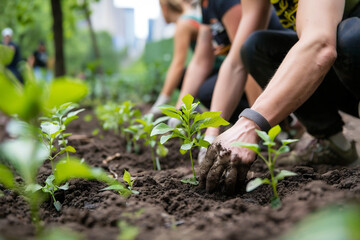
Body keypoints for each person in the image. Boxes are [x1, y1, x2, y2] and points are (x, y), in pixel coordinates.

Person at [200, 0, 360, 194]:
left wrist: (249, 124)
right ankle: (334, 145)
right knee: (256, 47)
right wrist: (210, 135)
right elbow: (235, 64)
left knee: (351, 36)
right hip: (340, 67)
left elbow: (321, 44)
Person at [149, 0, 208, 114]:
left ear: (164, 8)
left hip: (218, 70)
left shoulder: (183, 23)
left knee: (183, 77)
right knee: (182, 78)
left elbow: (178, 65)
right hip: (217, 68)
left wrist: (160, 103)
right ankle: (193, 113)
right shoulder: (191, 15)